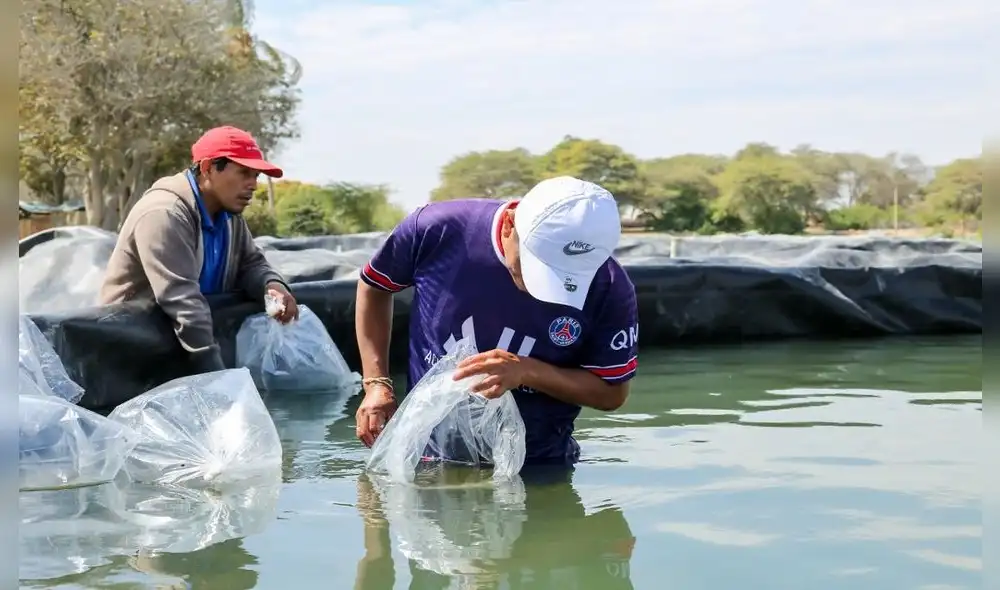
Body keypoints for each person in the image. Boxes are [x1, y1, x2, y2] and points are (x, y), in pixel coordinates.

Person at [354, 175, 639, 465]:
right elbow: (374, 286)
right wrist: (376, 383)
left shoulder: (609, 286)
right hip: (428, 457)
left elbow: (611, 394)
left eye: (566, 276)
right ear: (508, 226)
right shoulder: (435, 229)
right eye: (538, 266)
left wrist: (527, 371)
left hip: (537, 464)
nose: (539, 286)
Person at [100, 126, 299, 373]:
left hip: (186, 346)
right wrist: (219, 380)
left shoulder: (229, 217)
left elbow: (251, 264)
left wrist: (272, 286)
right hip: (132, 355)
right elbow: (182, 301)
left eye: (255, 175)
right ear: (207, 168)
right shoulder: (164, 214)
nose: (253, 185)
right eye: (244, 173)